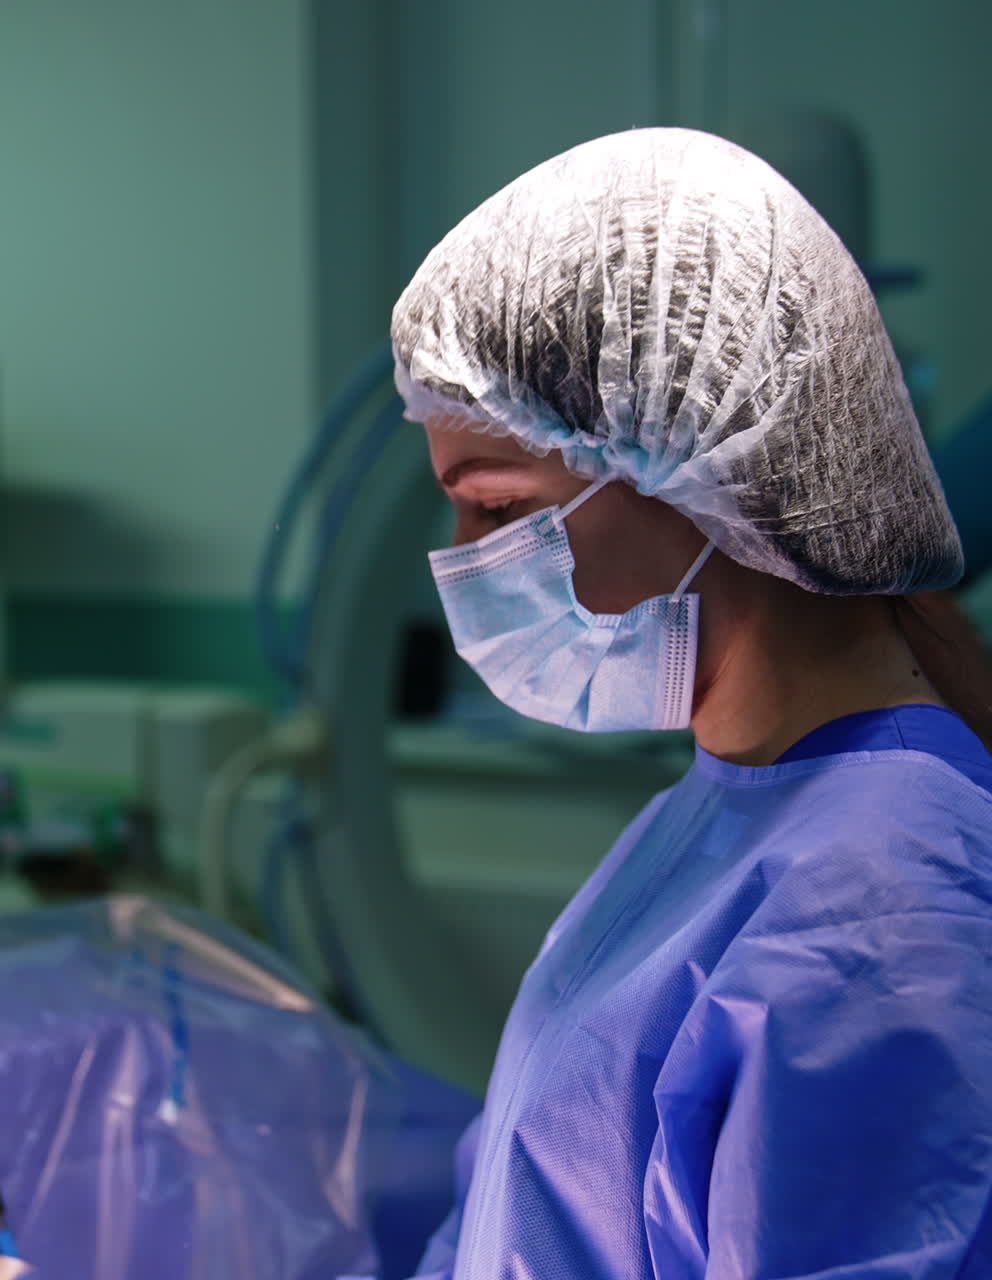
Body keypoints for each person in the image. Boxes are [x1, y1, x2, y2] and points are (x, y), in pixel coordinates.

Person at [356, 128, 992, 1278]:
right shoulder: (723, 807)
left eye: (497, 509)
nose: (461, 563)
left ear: (698, 469)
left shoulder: (883, 902)